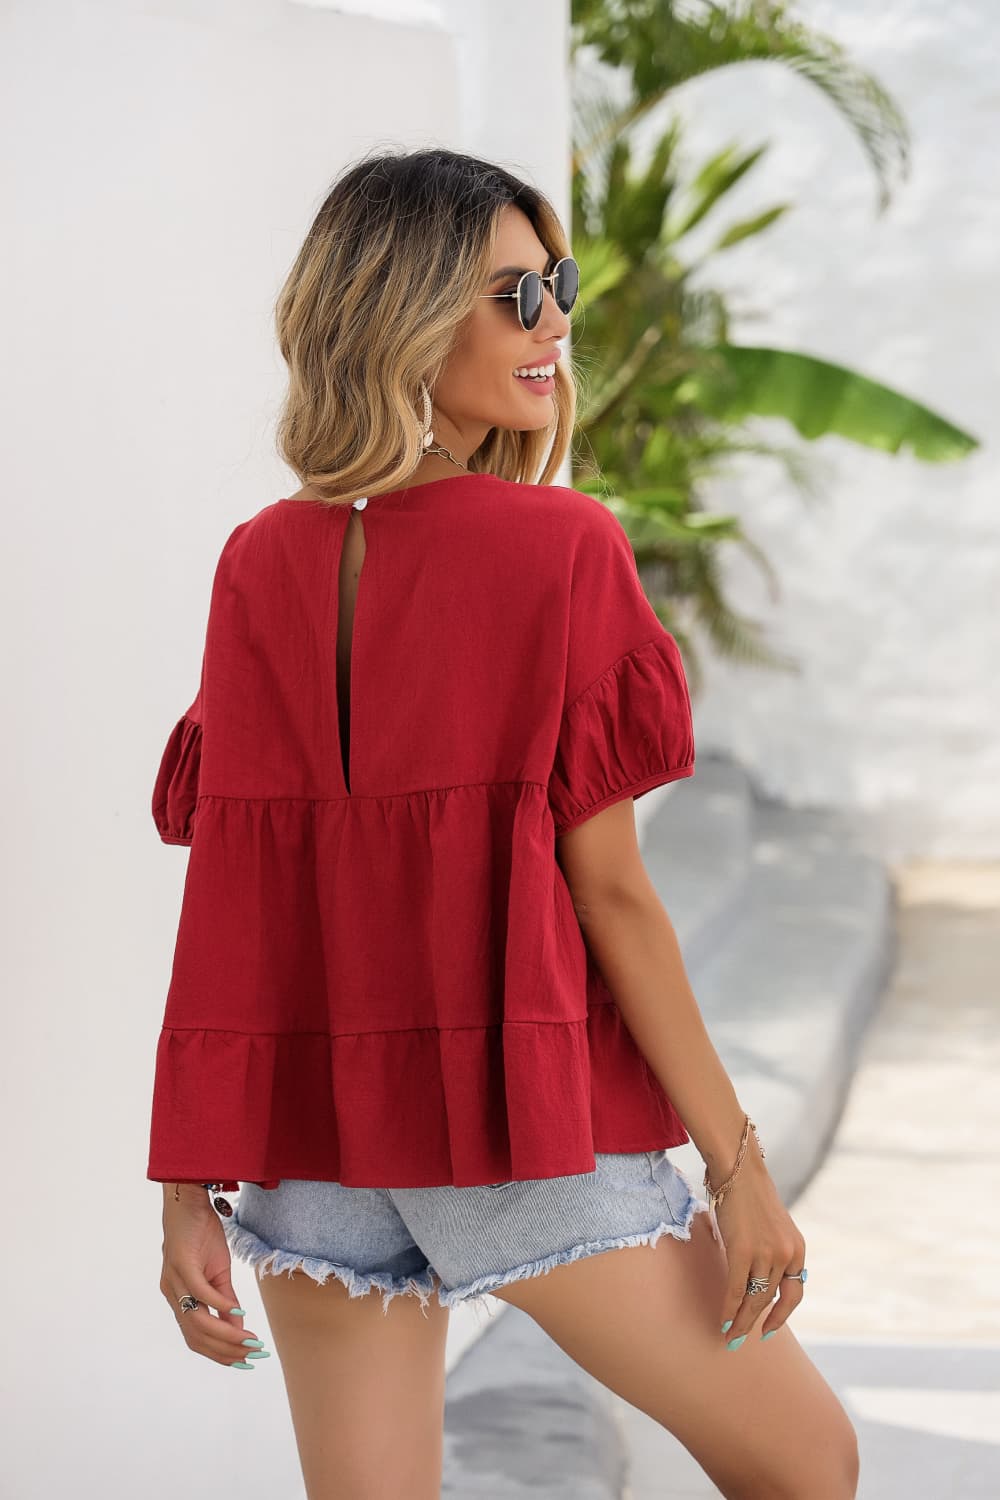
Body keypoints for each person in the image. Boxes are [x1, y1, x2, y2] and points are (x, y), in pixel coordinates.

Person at [151, 147, 859, 1500]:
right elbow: (616, 898)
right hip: (510, 1130)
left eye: (559, 288)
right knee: (811, 1463)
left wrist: (190, 1184)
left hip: (314, 1153)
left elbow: (235, 905)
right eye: (515, 297)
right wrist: (738, 1170)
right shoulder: (561, 547)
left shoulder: (258, 561)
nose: (554, 326)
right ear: (404, 316)